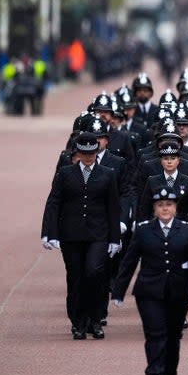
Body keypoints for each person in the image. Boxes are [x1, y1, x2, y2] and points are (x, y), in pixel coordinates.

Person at [110, 189, 188, 375]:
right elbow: (129, 262)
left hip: (178, 291)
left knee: (173, 335)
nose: (165, 208)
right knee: (155, 333)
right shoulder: (144, 231)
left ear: (175, 208)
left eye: (169, 204)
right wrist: (118, 291)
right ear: (154, 208)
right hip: (149, 291)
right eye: (160, 205)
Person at [41, 129, 122, 340]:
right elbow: (54, 203)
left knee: (95, 273)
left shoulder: (108, 174)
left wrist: (115, 238)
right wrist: (49, 232)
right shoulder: (65, 173)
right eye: (84, 154)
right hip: (72, 234)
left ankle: (96, 320)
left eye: (92, 153)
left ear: (97, 151)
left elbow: (113, 207)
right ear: (78, 153)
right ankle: (78, 322)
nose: (88, 158)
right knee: (75, 277)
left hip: (99, 233)